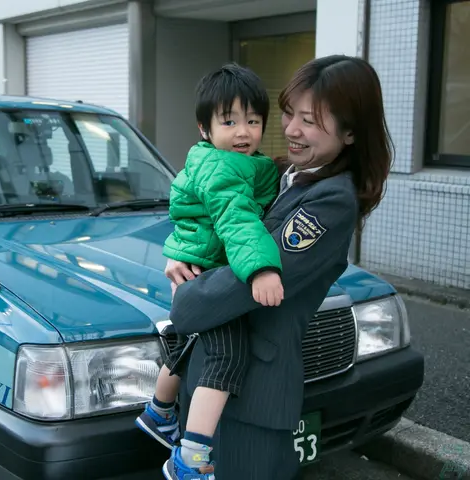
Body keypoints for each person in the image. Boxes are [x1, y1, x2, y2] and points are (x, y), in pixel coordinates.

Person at [164, 54, 393, 479]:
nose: (290, 130)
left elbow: (241, 284)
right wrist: (182, 252)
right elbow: (215, 216)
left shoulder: (331, 201)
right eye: (289, 114)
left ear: (349, 133)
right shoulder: (281, 175)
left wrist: (185, 298)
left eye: (310, 120)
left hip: (252, 394)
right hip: (216, 376)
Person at [134, 64, 285, 478]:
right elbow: (238, 222)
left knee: (185, 341)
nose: (243, 132)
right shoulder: (222, 169)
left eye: (253, 121)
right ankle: (191, 458)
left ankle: (159, 411)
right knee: (227, 356)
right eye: (230, 121)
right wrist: (261, 270)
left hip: (194, 269)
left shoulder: (228, 162)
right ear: (205, 127)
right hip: (205, 274)